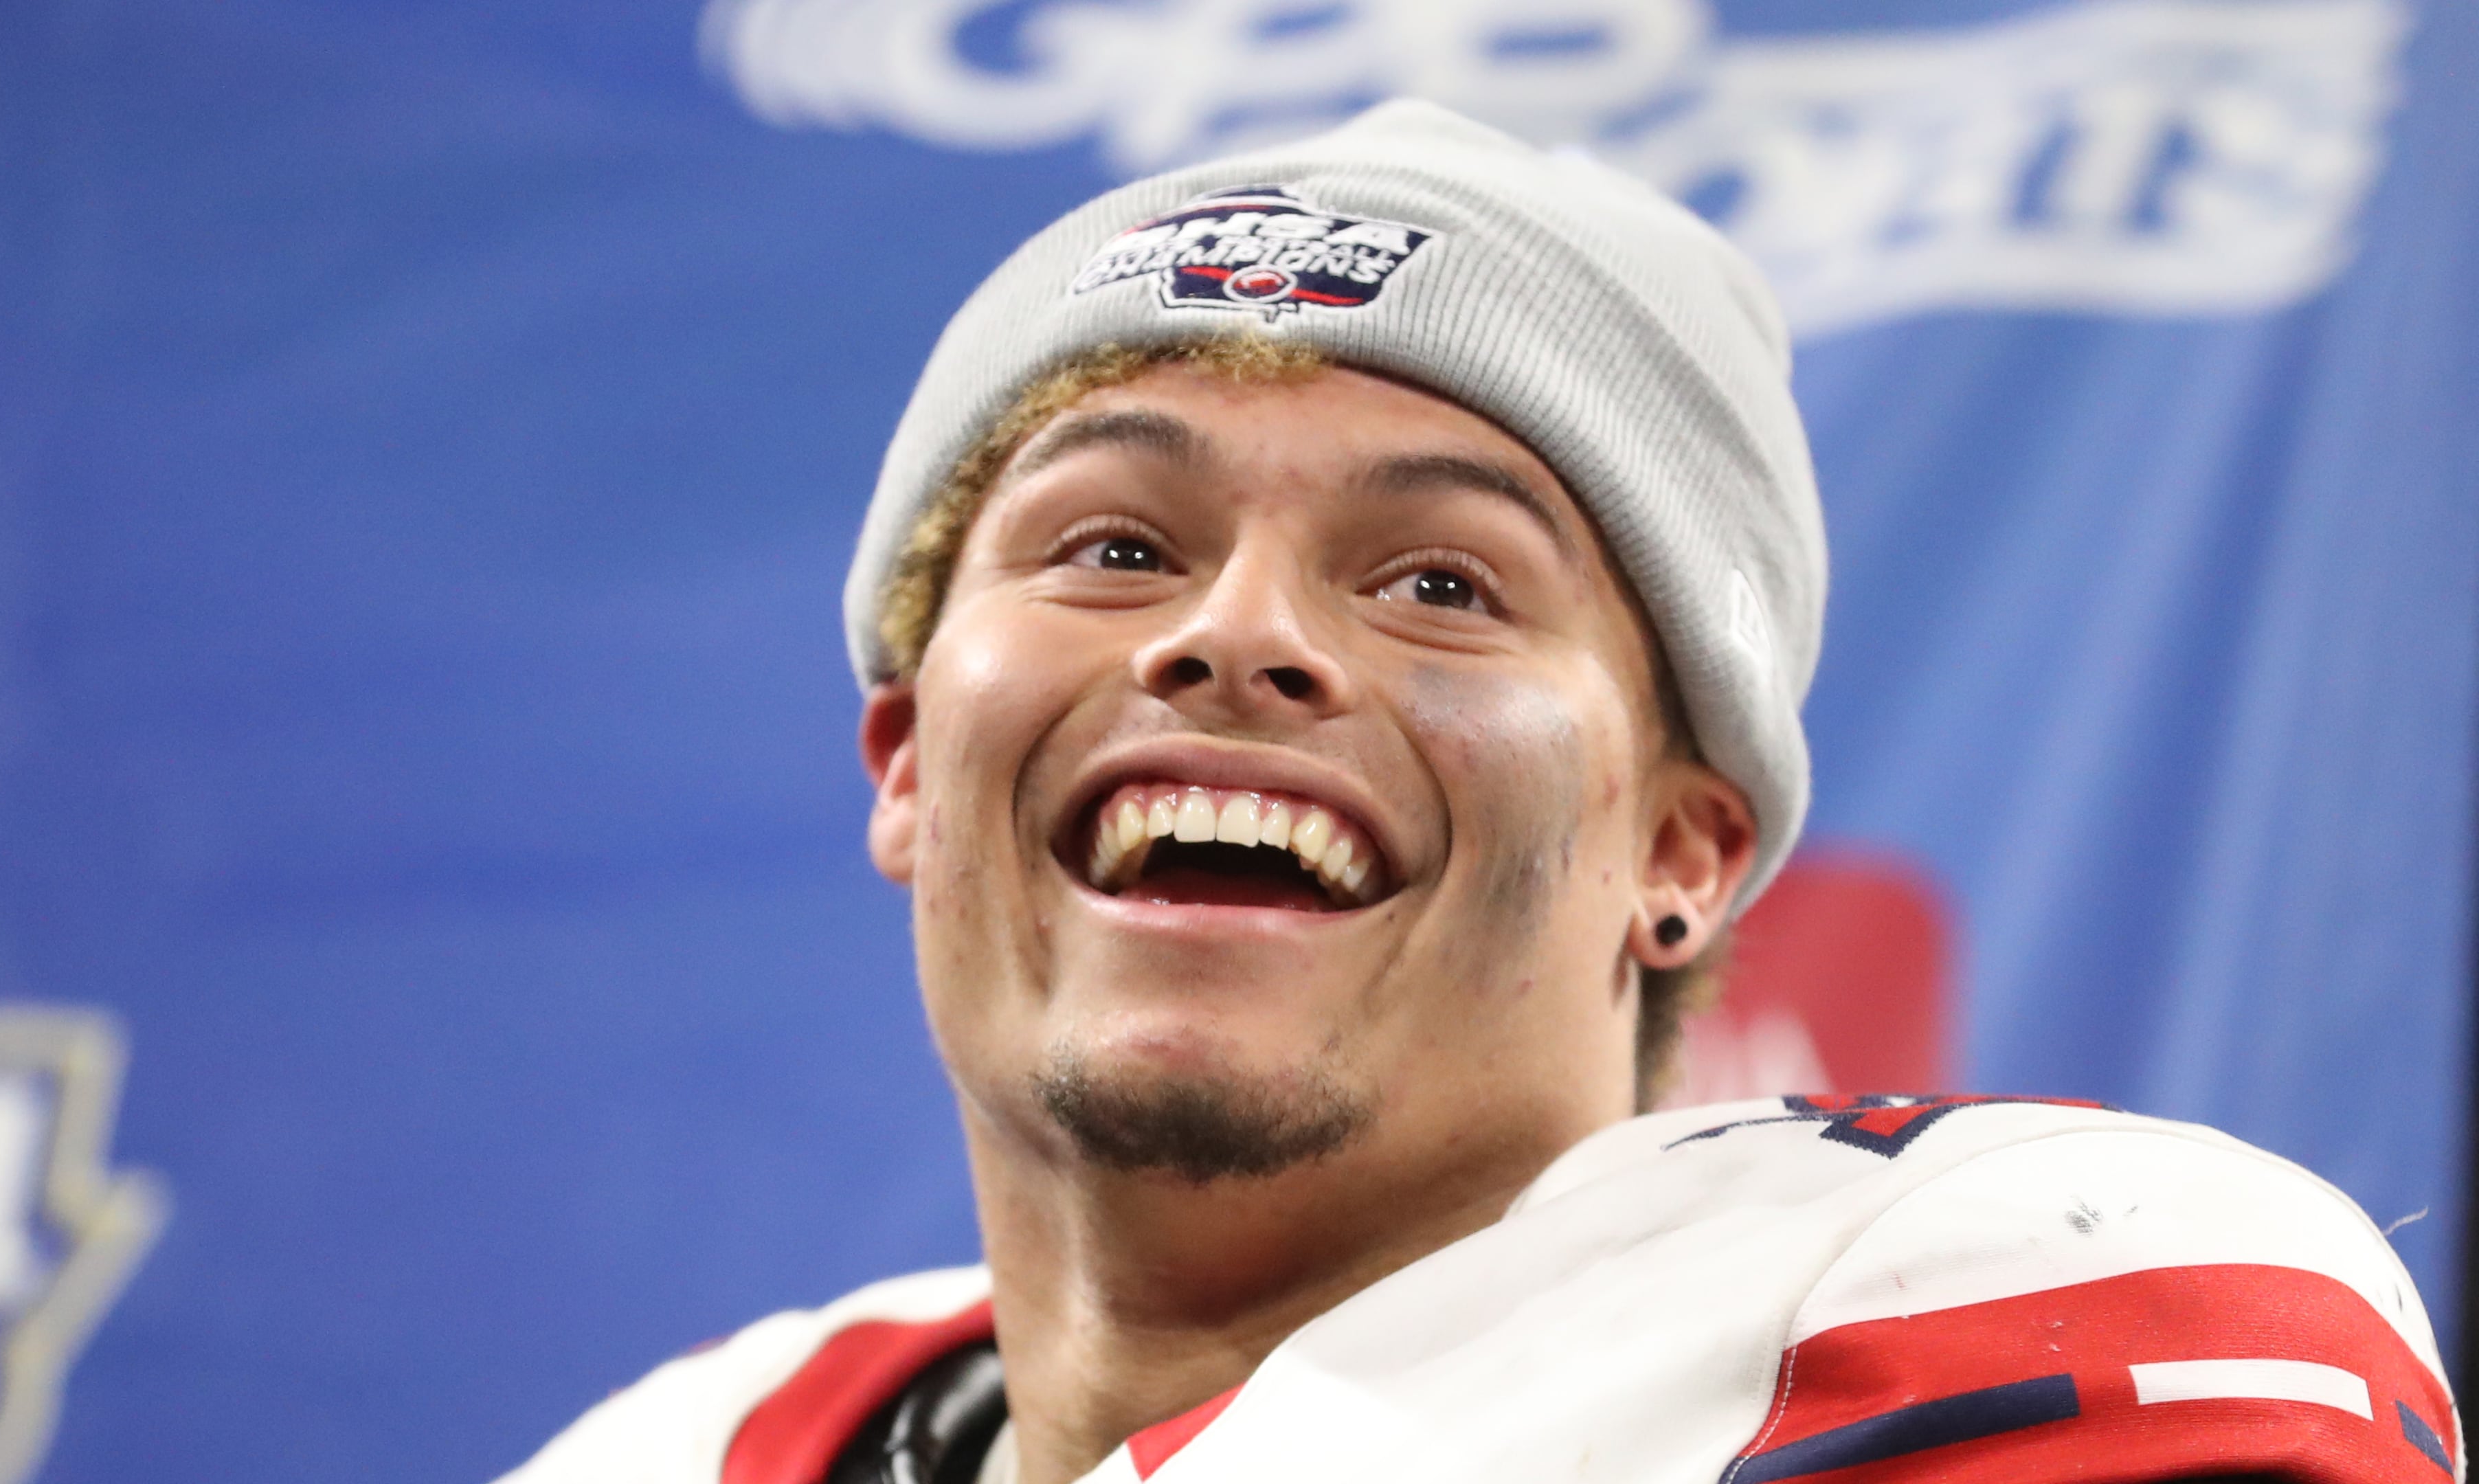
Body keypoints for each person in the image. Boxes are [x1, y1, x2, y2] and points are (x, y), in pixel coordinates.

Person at [502, 102, 2458, 1484]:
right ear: (914, 763)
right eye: (1112, 544)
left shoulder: (2006, 1298)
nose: (1241, 636)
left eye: (1441, 582)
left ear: (1682, 852)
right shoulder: (691, 1448)